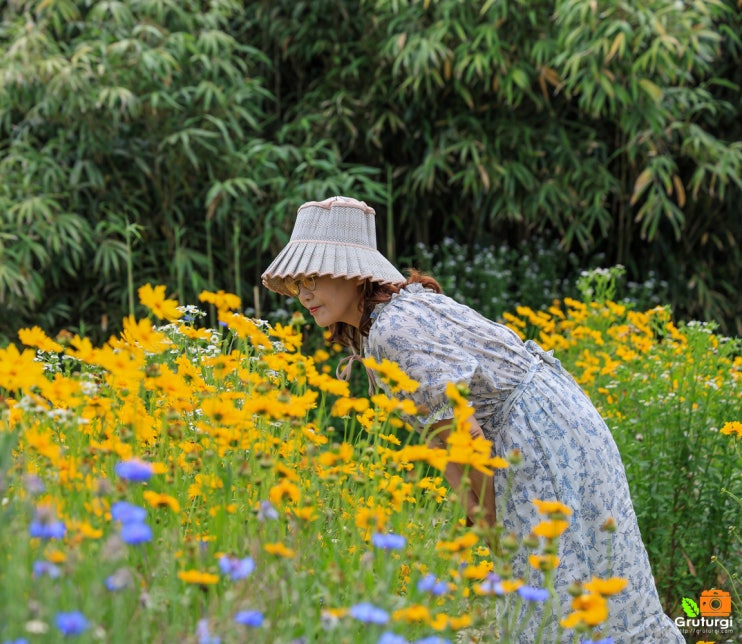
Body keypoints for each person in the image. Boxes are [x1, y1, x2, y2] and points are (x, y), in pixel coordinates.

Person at [261, 196, 684, 643]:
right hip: (557, 423)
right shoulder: (396, 313)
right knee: (584, 582)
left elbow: (460, 436)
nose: (304, 293)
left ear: (352, 272)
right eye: (298, 281)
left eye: (313, 276)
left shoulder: (391, 330)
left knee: (554, 593)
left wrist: (486, 525)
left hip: (536, 440)